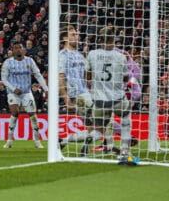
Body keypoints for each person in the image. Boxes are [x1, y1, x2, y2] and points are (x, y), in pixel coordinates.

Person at [85, 27, 134, 164]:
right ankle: (125, 151)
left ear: (100, 39)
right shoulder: (121, 56)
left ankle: (88, 140)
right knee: (125, 120)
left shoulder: (92, 54)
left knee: (100, 130)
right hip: (118, 98)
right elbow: (126, 78)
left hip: (99, 100)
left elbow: (87, 76)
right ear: (113, 39)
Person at [57, 26, 98, 155]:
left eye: (76, 34)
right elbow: (60, 77)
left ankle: (64, 141)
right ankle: (118, 144)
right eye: (73, 34)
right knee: (104, 122)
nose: (77, 37)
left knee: (93, 128)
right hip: (78, 95)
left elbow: (87, 76)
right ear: (65, 38)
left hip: (86, 93)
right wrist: (66, 98)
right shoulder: (62, 56)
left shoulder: (79, 55)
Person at [1, 42, 49, 149]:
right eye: (15, 48)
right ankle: (9, 140)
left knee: (33, 115)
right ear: (12, 50)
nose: (18, 50)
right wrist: (14, 89)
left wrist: (46, 89)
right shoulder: (8, 63)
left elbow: (38, 75)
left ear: (23, 50)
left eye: (20, 48)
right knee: (15, 112)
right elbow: (4, 79)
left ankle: (37, 141)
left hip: (27, 92)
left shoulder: (29, 61)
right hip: (13, 93)